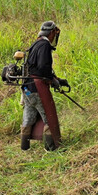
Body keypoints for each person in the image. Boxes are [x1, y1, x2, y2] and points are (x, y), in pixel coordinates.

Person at [20, 20, 68, 151]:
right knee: (48, 117)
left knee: (28, 117)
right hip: (37, 88)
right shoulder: (45, 45)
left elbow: (35, 68)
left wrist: (57, 79)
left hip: (27, 88)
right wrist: (51, 80)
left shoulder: (36, 44)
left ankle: (24, 147)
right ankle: (51, 148)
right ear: (52, 32)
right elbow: (42, 68)